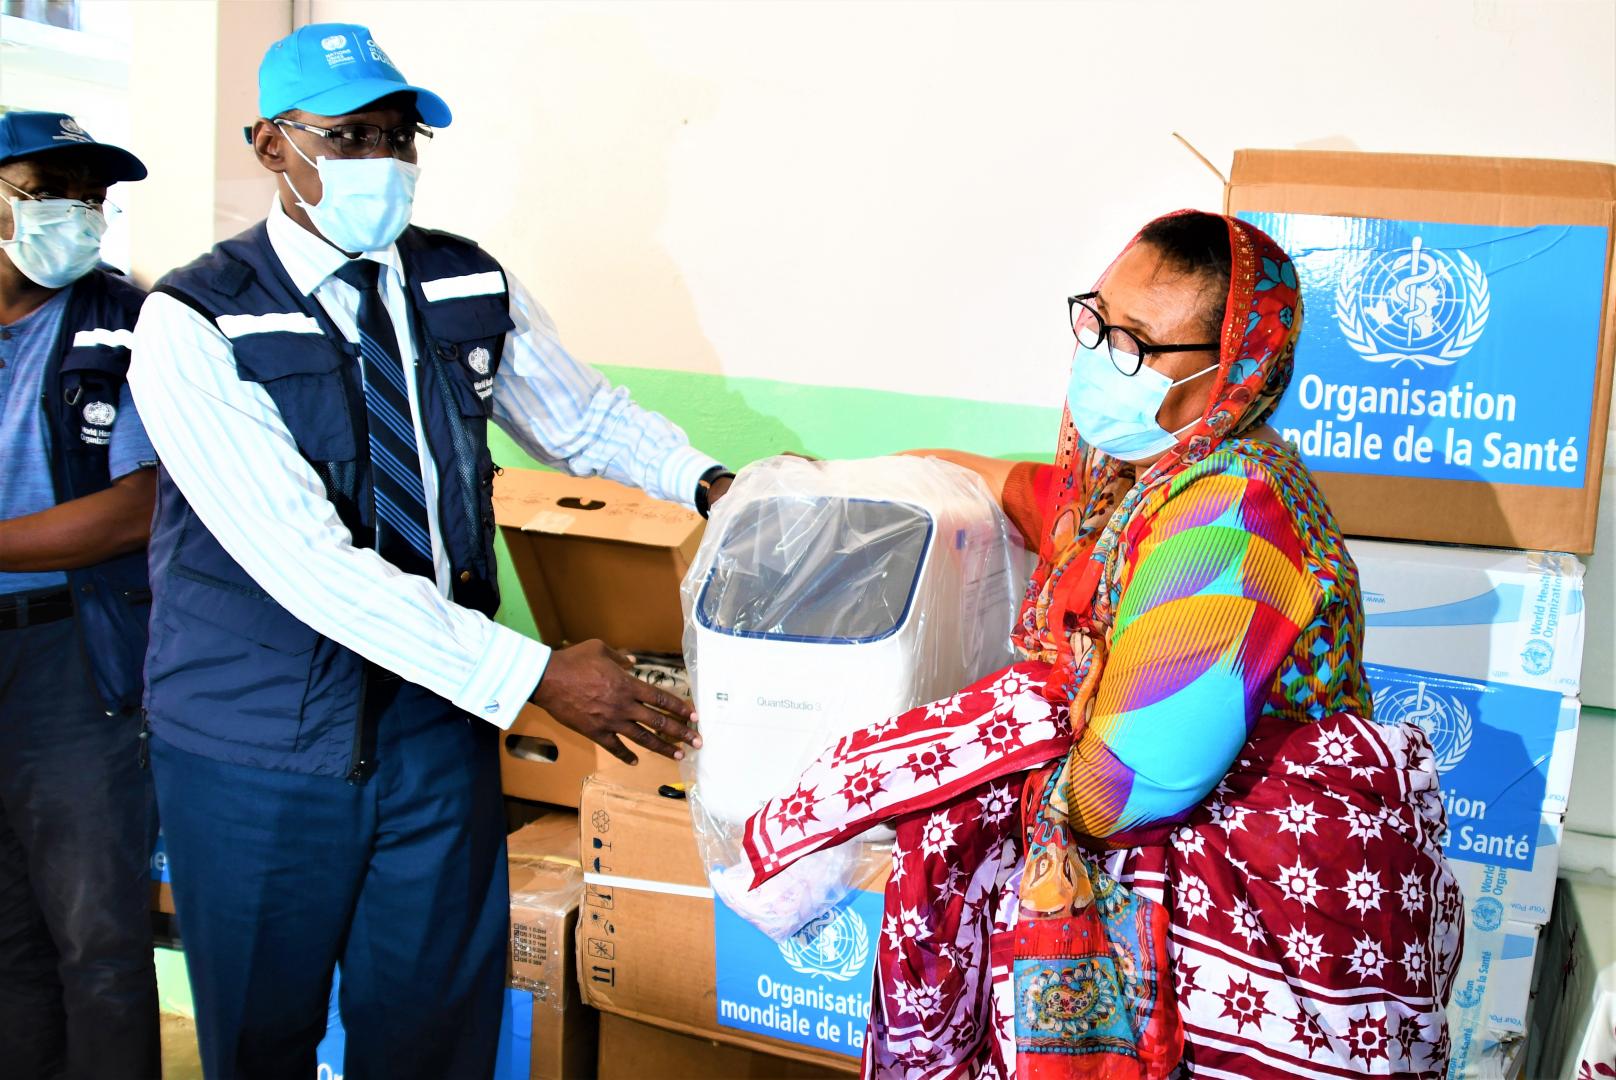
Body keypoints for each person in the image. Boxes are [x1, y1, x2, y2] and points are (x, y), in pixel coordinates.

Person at [128, 23, 732, 1080]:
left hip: (431, 731)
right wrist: (533, 673)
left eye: (399, 137)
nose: (381, 165)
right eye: (349, 137)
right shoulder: (193, 322)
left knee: (430, 1032)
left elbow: (585, 423)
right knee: (262, 1040)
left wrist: (713, 486)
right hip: (259, 742)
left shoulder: (463, 284)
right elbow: (304, 561)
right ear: (272, 146)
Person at [734, 211, 1462, 1078]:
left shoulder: (1233, 521)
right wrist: (832, 485)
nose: (1102, 359)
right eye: (1097, 322)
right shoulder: (1126, 486)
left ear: (1234, 371)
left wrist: (988, 775)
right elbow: (1007, 486)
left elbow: (1129, 788)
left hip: (1232, 912)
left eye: (1143, 346)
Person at [0, 111, 160, 1080]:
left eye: (92, 196)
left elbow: (137, 508)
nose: (78, 213)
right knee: (7, 944)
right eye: (49, 189)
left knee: (96, 941)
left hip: (74, 661)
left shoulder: (125, 321)